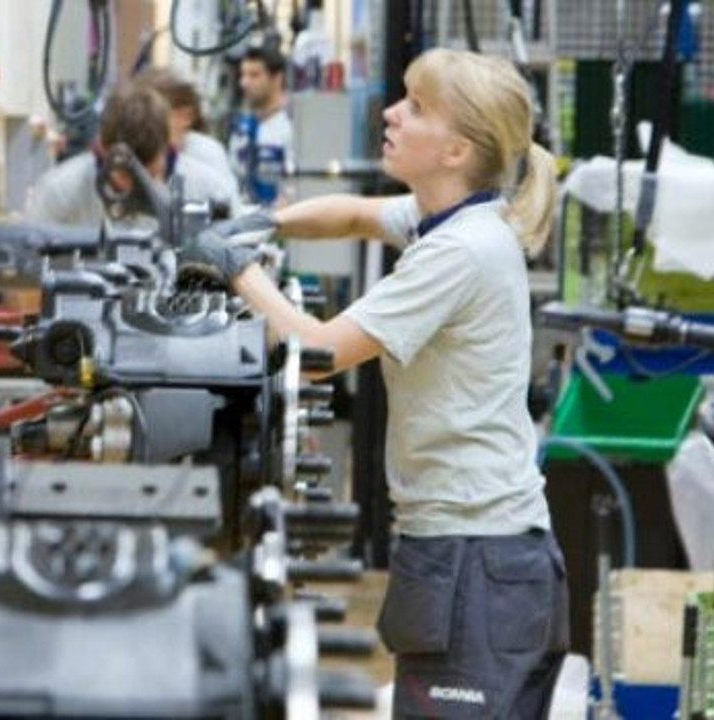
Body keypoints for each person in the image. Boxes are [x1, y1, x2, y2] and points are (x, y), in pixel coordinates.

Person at [183, 48, 568, 718]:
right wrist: (265, 222)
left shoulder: (459, 252)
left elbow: (319, 351)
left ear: (456, 150)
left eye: (415, 107)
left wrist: (237, 269)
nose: (390, 113)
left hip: (476, 564)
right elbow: (356, 215)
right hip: (474, 554)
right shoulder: (451, 215)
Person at [26, 84, 235, 229]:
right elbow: (28, 270)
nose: (138, 188)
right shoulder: (60, 192)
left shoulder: (209, 191)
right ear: (101, 148)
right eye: (126, 176)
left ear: (168, 146)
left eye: (150, 175)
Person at [133, 66, 239, 198]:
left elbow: (228, 201)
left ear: (185, 116)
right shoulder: (140, 151)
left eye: (155, 115)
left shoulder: (207, 153)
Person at [227, 45, 294, 206]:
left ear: (277, 78)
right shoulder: (241, 129)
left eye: (254, 75)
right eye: (243, 75)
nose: (244, 83)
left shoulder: (292, 126)